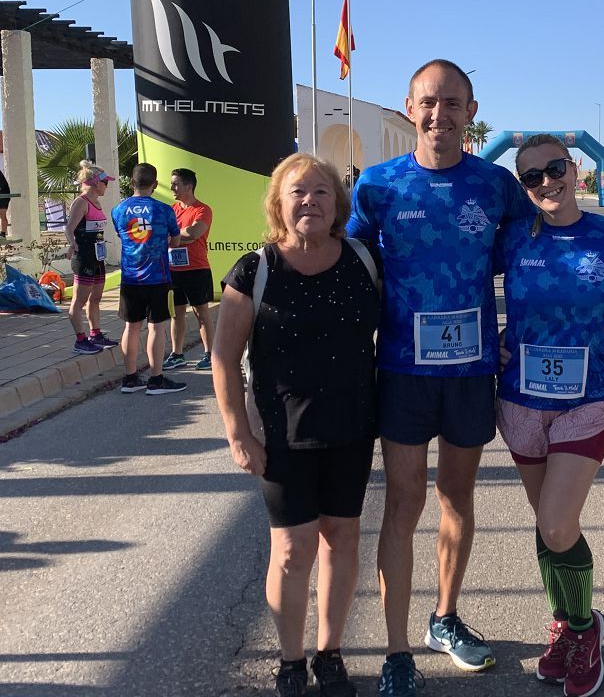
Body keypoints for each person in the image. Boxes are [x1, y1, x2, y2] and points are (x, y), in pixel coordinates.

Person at [346, 59, 536, 696]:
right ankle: (396, 650)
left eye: (453, 103)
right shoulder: (376, 186)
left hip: (470, 373)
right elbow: (340, 267)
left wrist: (571, 317)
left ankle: (444, 618)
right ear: (409, 106)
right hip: (401, 371)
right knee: (403, 503)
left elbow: (536, 259)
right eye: (429, 102)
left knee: (458, 499)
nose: (439, 115)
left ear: (471, 111)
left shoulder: (496, 186)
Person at [212, 153, 380, 697]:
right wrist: (238, 432)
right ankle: (291, 659)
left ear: (338, 204)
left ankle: (330, 654)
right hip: (280, 434)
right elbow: (223, 356)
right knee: (291, 549)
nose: (310, 201)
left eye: (321, 192)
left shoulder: (363, 259)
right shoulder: (254, 269)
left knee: (342, 540)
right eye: (298, 193)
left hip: (352, 427)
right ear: (279, 205)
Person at [496, 134, 604, 697]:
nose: (545, 183)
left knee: (558, 522)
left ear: (574, 166)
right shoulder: (512, 238)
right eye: (530, 177)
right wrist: (492, 342)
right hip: (520, 398)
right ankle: (564, 623)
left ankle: (585, 628)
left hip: (590, 396)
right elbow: (458, 281)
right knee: (547, 525)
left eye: (553, 168)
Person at [111, 163, 186, 395]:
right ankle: (156, 379)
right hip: (157, 277)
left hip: (130, 277)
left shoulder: (118, 210)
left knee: (131, 327)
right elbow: (175, 241)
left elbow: (123, 236)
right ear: (154, 185)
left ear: (132, 183)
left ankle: (130, 378)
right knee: (156, 328)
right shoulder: (164, 210)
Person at [163, 168, 216, 370]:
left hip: (197, 269)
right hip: (173, 270)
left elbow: (194, 232)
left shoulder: (203, 210)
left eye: (176, 184)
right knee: (176, 315)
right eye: (172, 183)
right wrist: (179, 235)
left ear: (189, 186)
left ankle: (210, 353)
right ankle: (177, 354)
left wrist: (173, 236)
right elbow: (164, 233)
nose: (172, 188)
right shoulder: (171, 210)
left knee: (201, 313)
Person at [63, 161, 118, 354]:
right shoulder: (81, 202)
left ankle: (96, 334)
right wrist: (73, 244)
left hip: (98, 256)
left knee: (96, 297)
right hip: (84, 257)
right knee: (79, 300)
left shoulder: (97, 201)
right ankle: (80, 339)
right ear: (95, 183)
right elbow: (69, 228)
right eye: (105, 183)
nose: (107, 186)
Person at [0, 168, 10, 238]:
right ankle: (3, 234)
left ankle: (3, 234)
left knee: (2, 215)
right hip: (4, 194)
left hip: (4, 194)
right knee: (2, 215)